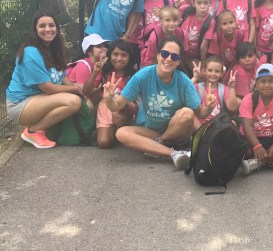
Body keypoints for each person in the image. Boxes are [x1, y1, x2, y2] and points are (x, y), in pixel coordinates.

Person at [103, 36, 216, 169]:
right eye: (165, 54)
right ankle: (174, 154)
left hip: (177, 133)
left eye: (174, 56)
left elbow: (201, 113)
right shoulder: (142, 76)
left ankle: (159, 143)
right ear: (157, 55)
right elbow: (116, 105)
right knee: (121, 133)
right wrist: (109, 99)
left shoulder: (183, 80)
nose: (168, 59)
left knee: (187, 113)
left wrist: (209, 107)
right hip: (151, 130)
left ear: (178, 61)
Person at [6, 11, 82, 149]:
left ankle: (45, 128)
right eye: (42, 26)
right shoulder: (31, 53)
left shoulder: (53, 48)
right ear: (35, 29)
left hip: (39, 99)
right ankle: (33, 132)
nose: (48, 29)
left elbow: (62, 76)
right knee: (73, 101)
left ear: (57, 28)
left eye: (51, 25)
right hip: (21, 104)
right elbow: (48, 88)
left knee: (80, 99)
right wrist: (75, 88)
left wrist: (79, 90)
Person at [91, 40, 138, 149]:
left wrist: (122, 110)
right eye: (115, 54)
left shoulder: (133, 75)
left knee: (119, 134)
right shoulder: (104, 71)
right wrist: (95, 72)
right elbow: (86, 91)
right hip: (106, 106)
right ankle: (108, 130)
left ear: (129, 57)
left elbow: (135, 103)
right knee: (104, 142)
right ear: (110, 55)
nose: (119, 58)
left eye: (124, 55)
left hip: (125, 109)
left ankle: (119, 128)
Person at [191, 56, 239, 125]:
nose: (213, 74)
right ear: (204, 71)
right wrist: (195, 78)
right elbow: (182, 92)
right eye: (210, 70)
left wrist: (231, 88)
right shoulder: (197, 87)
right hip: (199, 126)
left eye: (217, 71)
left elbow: (232, 108)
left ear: (221, 74)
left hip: (217, 126)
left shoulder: (224, 89)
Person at [179, 0, 213, 73]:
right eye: (199, 3)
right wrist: (176, 5)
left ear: (210, 3)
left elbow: (203, 46)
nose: (202, 6)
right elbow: (171, 15)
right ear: (193, 3)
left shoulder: (210, 21)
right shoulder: (186, 10)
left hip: (192, 56)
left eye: (206, 3)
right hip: (178, 51)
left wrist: (203, 65)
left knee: (200, 74)